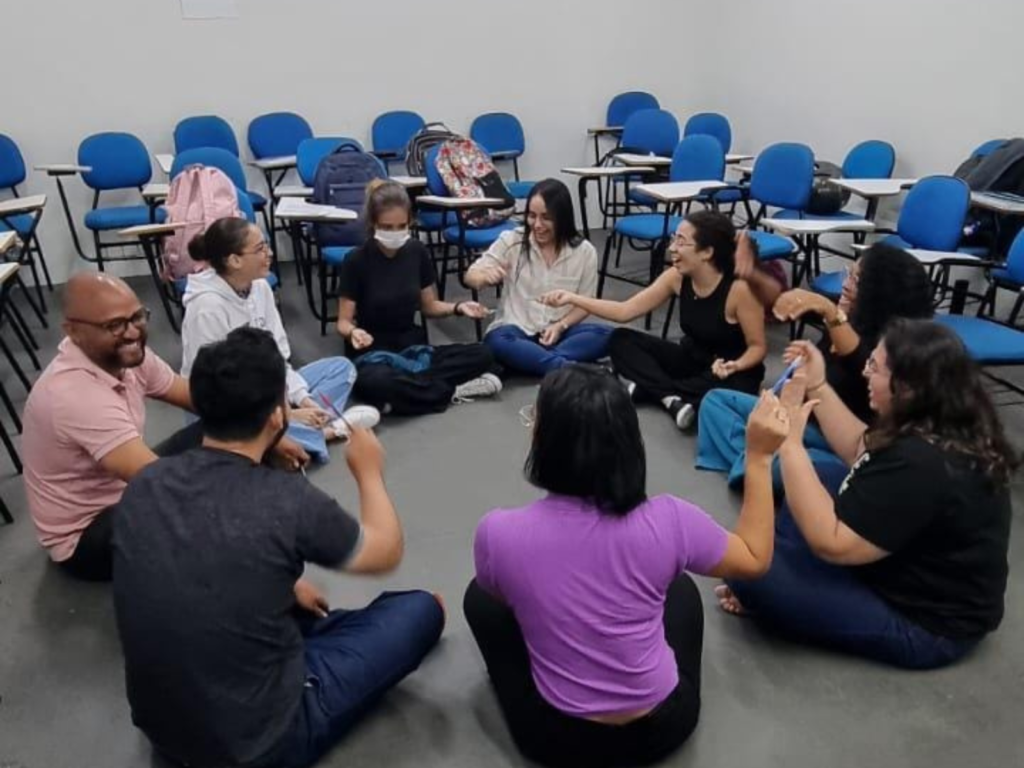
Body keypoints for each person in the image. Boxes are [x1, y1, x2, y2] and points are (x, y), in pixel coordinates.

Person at [113, 327, 445, 768]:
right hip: (261, 741)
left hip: (164, 729)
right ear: (276, 416)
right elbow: (383, 552)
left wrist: (285, 589)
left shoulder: (147, 481)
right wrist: (368, 471)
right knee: (425, 607)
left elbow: (194, 557)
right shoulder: (286, 500)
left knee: (302, 608)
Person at [464, 364, 792, 768]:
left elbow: (499, 596)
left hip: (556, 742)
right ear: (628, 441)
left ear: (541, 439)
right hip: (663, 728)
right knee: (680, 586)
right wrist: (758, 457)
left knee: (479, 598)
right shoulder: (671, 520)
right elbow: (755, 558)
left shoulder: (498, 533)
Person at [718, 320, 1016, 669]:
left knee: (747, 571)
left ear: (905, 387)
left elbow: (831, 542)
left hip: (926, 625)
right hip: (901, 560)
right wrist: (817, 383)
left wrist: (790, 442)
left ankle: (781, 575)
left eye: (874, 367)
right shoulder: (941, 419)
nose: (864, 371)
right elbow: (862, 448)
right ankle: (788, 568)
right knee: (823, 476)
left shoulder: (922, 462)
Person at [21, 273, 309, 582]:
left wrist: (265, 434)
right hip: (88, 532)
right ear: (73, 331)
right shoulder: (75, 395)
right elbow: (161, 486)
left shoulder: (126, 354)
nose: (132, 332)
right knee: (204, 522)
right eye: (114, 325)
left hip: (122, 487)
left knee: (234, 424)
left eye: (137, 317)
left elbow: (198, 398)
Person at [697, 243, 934, 486]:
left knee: (796, 464)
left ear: (878, 292)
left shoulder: (889, 347)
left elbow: (858, 357)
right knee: (716, 401)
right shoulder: (847, 315)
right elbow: (784, 302)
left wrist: (831, 312)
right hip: (797, 423)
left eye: (856, 280)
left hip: (837, 444)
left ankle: (758, 465)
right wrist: (752, 273)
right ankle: (758, 466)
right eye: (848, 274)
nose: (846, 284)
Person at [541, 210, 766, 430]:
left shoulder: (741, 290)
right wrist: (573, 298)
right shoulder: (676, 277)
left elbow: (758, 348)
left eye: (681, 242)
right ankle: (670, 399)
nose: (672, 248)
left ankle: (651, 390)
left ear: (706, 252)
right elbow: (625, 311)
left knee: (718, 397)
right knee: (621, 339)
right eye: (673, 239)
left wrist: (735, 365)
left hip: (731, 371)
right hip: (693, 359)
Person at [181, 218, 378, 461]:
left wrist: (303, 401)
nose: (270, 253)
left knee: (342, 368)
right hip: (222, 403)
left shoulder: (260, 288)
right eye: (260, 249)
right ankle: (323, 432)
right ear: (234, 260)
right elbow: (222, 386)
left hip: (266, 390)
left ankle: (287, 436)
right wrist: (287, 414)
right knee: (239, 428)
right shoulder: (206, 306)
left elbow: (279, 359)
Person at [336, 180, 500, 415]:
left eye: (401, 226)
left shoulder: (416, 251)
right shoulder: (356, 260)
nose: (395, 233)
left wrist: (459, 307)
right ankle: (450, 391)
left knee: (484, 353)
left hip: (412, 347)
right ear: (373, 224)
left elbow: (429, 306)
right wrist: (353, 332)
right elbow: (343, 322)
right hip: (373, 351)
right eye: (387, 227)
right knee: (374, 381)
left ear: (410, 222)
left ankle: (404, 398)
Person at [464, 178, 612, 376]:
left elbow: (585, 303)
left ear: (563, 218)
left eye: (546, 218)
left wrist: (560, 326)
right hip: (516, 331)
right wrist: (483, 277)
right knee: (496, 341)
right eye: (532, 216)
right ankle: (567, 368)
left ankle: (537, 360)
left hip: (560, 334)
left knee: (608, 335)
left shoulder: (585, 252)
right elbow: (470, 276)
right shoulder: (512, 240)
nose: (537, 225)